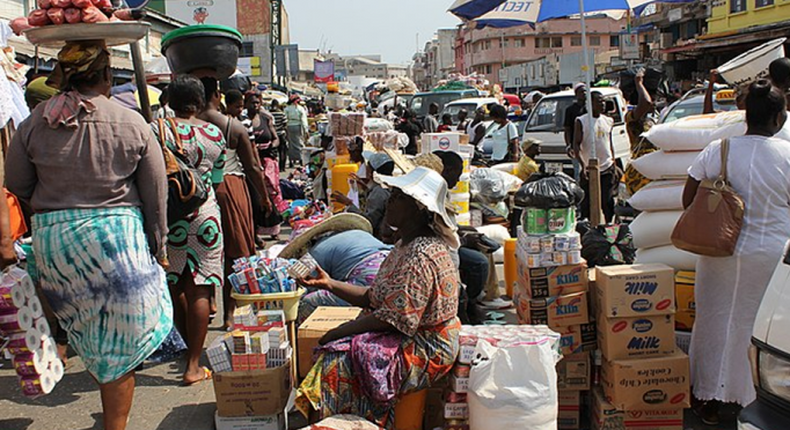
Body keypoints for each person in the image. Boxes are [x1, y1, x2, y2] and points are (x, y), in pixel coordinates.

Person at [6, 41, 171, 430]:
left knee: (91, 334)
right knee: (120, 345)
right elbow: (155, 195)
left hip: (56, 242)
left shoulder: (33, 122)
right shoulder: (132, 122)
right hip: (117, 240)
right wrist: (158, 244)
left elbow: (17, 185)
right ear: (106, 77)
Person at [295, 167, 460, 427]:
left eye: (398, 197)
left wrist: (339, 331)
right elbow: (373, 297)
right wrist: (329, 283)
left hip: (427, 346)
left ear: (418, 208)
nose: (390, 201)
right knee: (337, 351)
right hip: (406, 331)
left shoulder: (420, 254)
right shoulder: (404, 245)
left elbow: (394, 319)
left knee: (336, 361)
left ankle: (346, 421)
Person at [684, 80, 790, 425]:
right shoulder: (788, 155)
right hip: (769, 254)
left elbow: (689, 200)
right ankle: (753, 399)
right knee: (756, 329)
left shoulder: (718, 149)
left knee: (713, 321)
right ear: (778, 117)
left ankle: (706, 399)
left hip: (719, 251)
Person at [151, 75, 226, 386]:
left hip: (169, 217)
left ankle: (185, 350)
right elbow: (218, 181)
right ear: (199, 102)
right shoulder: (214, 132)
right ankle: (194, 364)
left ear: (168, 99)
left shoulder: (156, 130)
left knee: (175, 284)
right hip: (205, 214)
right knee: (201, 286)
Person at [200, 80, 271, 329]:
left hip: (199, 190)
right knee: (234, 254)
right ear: (217, 95)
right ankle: (229, 314)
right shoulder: (233, 126)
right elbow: (252, 167)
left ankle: (209, 302)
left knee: (204, 252)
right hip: (230, 187)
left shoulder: (188, 125)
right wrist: (264, 196)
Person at [280, 215, 391, 323]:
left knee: (307, 303)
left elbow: (308, 284)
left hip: (367, 276)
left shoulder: (316, 252)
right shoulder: (356, 234)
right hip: (391, 266)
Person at [433, 150, 488, 324]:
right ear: (447, 170)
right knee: (479, 263)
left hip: (451, 245)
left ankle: (472, 302)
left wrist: (464, 230)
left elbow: (448, 226)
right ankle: (469, 304)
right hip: (444, 251)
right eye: (456, 174)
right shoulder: (433, 196)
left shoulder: (444, 192)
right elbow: (438, 232)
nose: (457, 180)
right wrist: (464, 239)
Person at [245, 91, 287, 239]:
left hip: (267, 160)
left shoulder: (266, 118)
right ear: (245, 104)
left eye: (257, 103)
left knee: (271, 193)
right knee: (255, 196)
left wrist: (271, 147)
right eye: (252, 103)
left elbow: (276, 138)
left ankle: (274, 229)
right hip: (250, 162)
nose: (255, 105)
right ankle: (255, 229)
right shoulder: (242, 121)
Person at [574, 91, 617, 223]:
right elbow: (576, 144)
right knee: (587, 202)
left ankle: (608, 225)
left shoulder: (608, 121)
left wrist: (613, 160)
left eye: (603, 101)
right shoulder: (581, 121)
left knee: (607, 200)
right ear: (590, 103)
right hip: (589, 167)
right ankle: (587, 226)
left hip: (606, 166)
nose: (602, 104)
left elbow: (609, 142)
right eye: (599, 101)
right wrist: (582, 165)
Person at [333, 153, 394, 238]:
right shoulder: (388, 186)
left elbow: (368, 222)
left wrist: (349, 204)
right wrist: (365, 189)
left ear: (371, 172)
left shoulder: (379, 192)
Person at [624, 69, 658, 196]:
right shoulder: (632, 118)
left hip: (655, 168)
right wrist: (639, 83)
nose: (653, 102)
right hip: (641, 173)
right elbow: (646, 102)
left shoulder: (655, 118)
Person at [564, 83, 587, 180]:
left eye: (585, 91)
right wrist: (569, 145)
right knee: (579, 170)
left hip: (588, 144)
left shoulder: (590, 108)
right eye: (581, 91)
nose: (584, 93)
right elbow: (567, 129)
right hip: (576, 145)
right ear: (576, 94)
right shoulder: (570, 110)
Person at [285, 94, 308, 168]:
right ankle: (301, 159)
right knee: (299, 142)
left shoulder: (287, 109)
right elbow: (304, 120)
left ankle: (292, 159)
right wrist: (306, 130)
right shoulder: (301, 109)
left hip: (289, 126)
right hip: (298, 126)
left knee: (291, 144)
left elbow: (285, 119)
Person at [270, 99, 289, 170]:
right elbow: (285, 125)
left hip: (273, 135)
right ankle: (282, 167)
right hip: (281, 134)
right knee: (282, 151)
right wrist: (287, 135)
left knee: (274, 151)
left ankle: (274, 166)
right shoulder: (282, 114)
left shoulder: (269, 114)